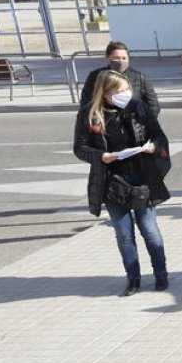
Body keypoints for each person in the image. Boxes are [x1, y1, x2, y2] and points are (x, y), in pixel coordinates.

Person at [74, 70, 171, 296]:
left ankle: (161, 274)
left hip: (141, 176)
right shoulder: (89, 113)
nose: (125, 94)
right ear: (105, 93)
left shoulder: (138, 107)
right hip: (112, 181)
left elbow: (159, 135)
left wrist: (154, 146)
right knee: (124, 234)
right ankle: (133, 279)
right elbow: (79, 148)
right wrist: (101, 156)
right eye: (119, 91)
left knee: (150, 230)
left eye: (127, 89)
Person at [80, 41, 160, 118]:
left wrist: (142, 122)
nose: (121, 61)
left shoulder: (140, 77)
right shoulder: (96, 76)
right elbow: (86, 102)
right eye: (116, 58)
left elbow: (153, 105)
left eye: (124, 58)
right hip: (104, 123)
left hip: (133, 124)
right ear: (107, 57)